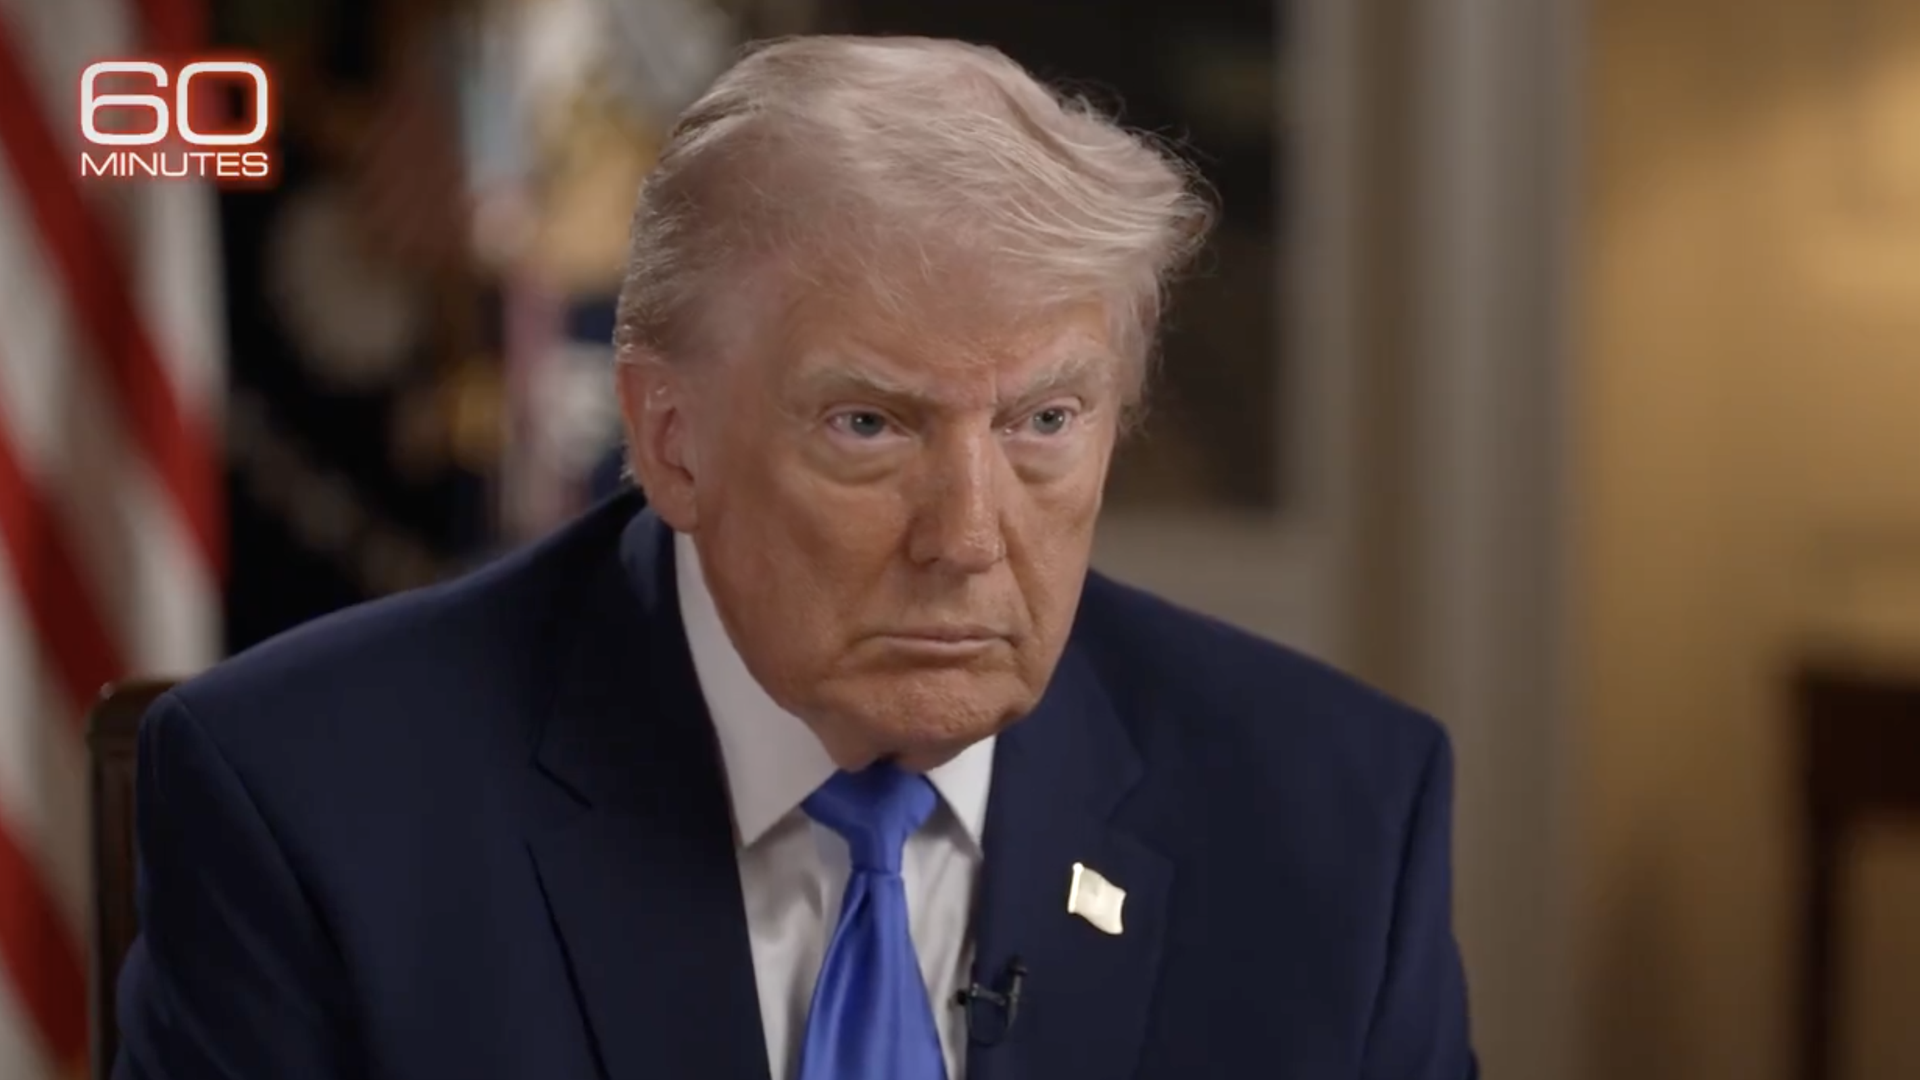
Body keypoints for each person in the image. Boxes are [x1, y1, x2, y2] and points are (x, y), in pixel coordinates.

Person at [113, 35, 1476, 1080]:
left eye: (1045, 422)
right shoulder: (310, 805)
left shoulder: (1336, 820)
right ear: (670, 439)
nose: (967, 538)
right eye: (869, 425)